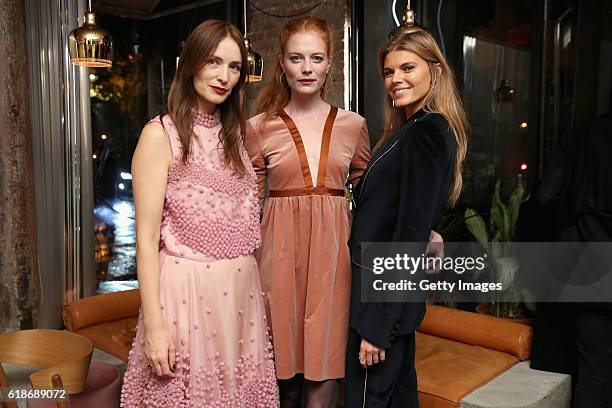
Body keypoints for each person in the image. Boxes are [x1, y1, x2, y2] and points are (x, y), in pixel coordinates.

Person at [120, 20, 279, 407]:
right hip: (186, 300)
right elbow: (145, 241)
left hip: (240, 303)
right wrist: (156, 327)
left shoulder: (235, 136)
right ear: (190, 62)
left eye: (234, 67)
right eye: (213, 61)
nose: (224, 76)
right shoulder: (160, 135)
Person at [244, 16, 371, 407]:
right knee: (284, 380)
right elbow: (246, 202)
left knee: (324, 378)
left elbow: (371, 197)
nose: (307, 67)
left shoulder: (353, 125)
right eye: (297, 58)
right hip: (277, 259)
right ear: (282, 63)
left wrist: (425, 230)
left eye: (316, 58)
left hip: (334, 261)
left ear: (330, 63)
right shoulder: (258, 126)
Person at [345, 26, 469, 407]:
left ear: (436, 70)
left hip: (381, 302)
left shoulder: (426, 132)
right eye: (389, 72)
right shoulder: (411, 128)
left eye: (408, 68)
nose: (396, 79)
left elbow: (409, 235)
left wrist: (378, 327)